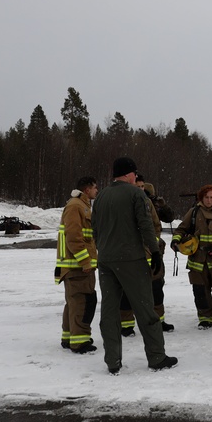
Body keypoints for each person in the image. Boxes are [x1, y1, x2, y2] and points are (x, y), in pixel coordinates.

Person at [91, 156, 177, 375]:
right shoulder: (136, 194)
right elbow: (145, 225)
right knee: (145, 308)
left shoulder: (100, 197)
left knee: (110, 312)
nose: (136, 177)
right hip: (130, 259)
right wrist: (155, 251)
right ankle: (157, 356)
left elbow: (95, 230)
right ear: (130, 174)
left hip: (106, 260)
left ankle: (112, 360)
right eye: (135, 174)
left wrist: (104, 250)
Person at [171, 184, 212, 332]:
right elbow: (181, 229)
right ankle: (206, 318)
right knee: (201, 292)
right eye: (206, 197)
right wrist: (176, 240)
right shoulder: (193, 213)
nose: (209, 200)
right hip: (197, 260)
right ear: (201, 198)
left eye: (211, 197)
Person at [119, 174, 174, 336]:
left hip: (151, 254)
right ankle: (126, 324)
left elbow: (156, 226)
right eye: (138, 186)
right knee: (127, 289)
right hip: (130, 255)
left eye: (143, 187)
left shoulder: (149, 203)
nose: (141, 189)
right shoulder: (123, 203)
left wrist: (152, 246)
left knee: (156, 288)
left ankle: (158, 320)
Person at [55, 176, 99, 354]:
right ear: (87, 189)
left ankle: (69, 337)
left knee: (74, 303)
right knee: (81, 303)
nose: (97, 191)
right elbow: (74, 237)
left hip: (77, 266)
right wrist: (85, 261)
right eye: (95, 188)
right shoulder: (76, 206)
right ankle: (80, 342)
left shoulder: (81, 205)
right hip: (78, 267)